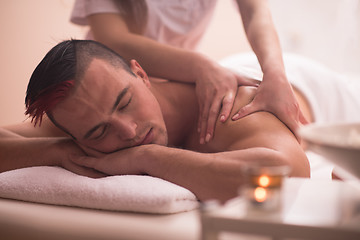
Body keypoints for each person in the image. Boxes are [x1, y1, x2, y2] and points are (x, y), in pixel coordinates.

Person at [0, 40, 310, 202]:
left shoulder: (231, 110)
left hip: (312, 85)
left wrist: (147, 157)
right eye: (98, 132)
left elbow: (290, 174)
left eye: (126, 102)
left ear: (142, 74)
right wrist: (59, 151)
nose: (128, 131)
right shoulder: (83, 116)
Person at [70, 0, 307, 144]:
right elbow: (114, 40)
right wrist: (200, 66)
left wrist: (275, 73)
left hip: (183, 84)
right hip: (110, 87)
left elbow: (256, 11)